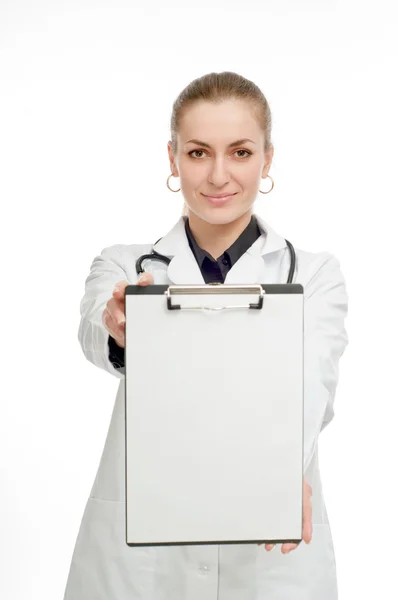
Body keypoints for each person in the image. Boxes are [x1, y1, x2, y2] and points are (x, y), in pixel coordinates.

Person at [63, 71, 349, 600]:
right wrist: (120, 326)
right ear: (172, 159)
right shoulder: (125, 265)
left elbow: (314, 383)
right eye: (198, 153)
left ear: (266, 160)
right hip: (140, 562)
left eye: (240, 152)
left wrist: (281, 472)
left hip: (270, 562)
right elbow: (93, 327)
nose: (218, 175)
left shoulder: (311, 275)